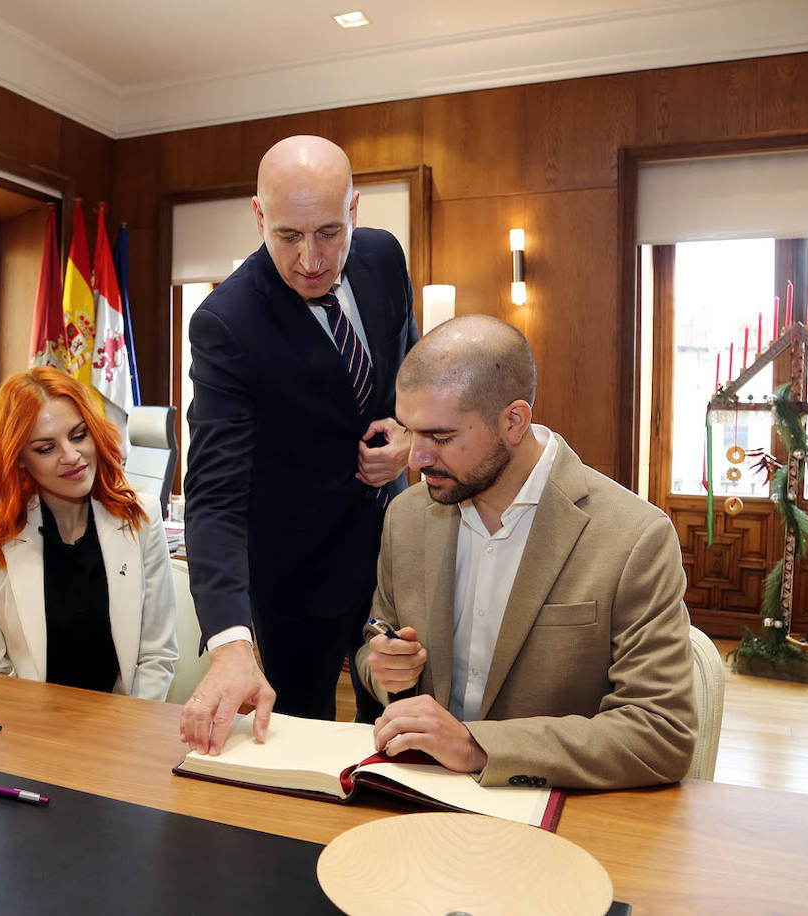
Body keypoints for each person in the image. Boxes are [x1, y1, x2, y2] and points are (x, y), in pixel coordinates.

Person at [358, 315, 697, 789]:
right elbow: (377, 643)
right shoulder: (407, 517)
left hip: (561, 823)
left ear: (514, 421)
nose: (415, 459)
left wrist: (478, 747)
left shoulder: (634, 536)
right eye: (411, 433)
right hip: (420, 798)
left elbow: (662, 732)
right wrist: (386, 670)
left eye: (441, 438)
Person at [179, 135, 418, 753]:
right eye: (288, 236)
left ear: (355, 211)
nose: (311, 259)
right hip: (292, 585)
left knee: (400, 740)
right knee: (293, 749)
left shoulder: (385, 258)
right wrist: (231, 642)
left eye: (329, 233)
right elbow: (214, 496)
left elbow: (414, 378)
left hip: (394, 568)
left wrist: (411, 437)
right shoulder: (226, 323)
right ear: (259, 216)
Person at [0, 366, 178, 700]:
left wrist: (129, 735)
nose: (72, 456)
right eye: (46, 448)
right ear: (18, 459)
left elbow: (156, 657)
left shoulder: (142, 517)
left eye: (78, 435)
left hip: (126, 727)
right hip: (30, 732)